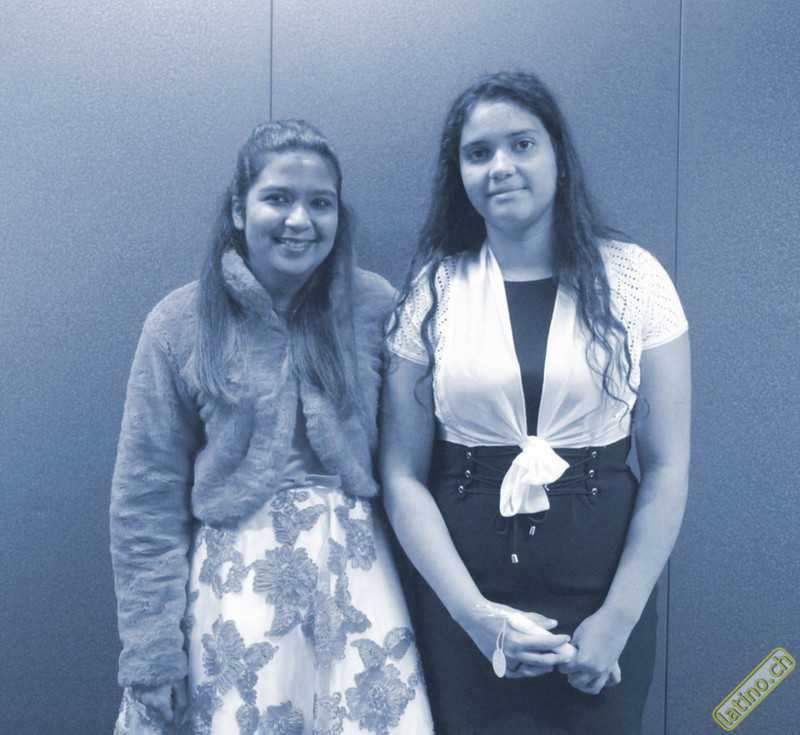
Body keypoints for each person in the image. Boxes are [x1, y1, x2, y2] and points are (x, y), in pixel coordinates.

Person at [381, 71, 691, 733]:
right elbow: (402, 475)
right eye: (478, 152)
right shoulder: (432, 291)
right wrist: (477, 618)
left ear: (558, 156)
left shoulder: (635, 279)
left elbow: (668, 465)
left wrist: (619, 617)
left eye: (522, 144)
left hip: (604, 603)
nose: (501, 166)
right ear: (460, 173)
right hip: (466, 604)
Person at [110, 120, 433, 735]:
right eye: (278, 198)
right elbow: (144, 499)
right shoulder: (179, 323)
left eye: (320, 203)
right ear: (239, 209)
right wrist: (151, 651)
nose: (299, 220)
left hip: (357, 584)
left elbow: (415, 464)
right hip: (233, 598)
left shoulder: (377, 308)